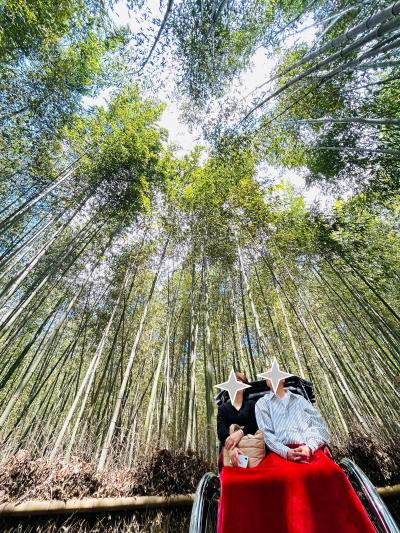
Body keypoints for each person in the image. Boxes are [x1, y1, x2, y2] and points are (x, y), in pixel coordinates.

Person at [217, 375, 376, 533]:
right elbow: (260, 431)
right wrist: (284, 452)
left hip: (306, 448)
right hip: (271, 451)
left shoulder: (292, 401)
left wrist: (310, 446)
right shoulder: (258, 404)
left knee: (333, 473)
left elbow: (317, 426)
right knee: (266, 480)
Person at [216, 371, 258, 470]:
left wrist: (241, 432)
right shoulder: (223, 408)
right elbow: (221, 430)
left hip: (252, 445)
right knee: (223, 465)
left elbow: (255, 424)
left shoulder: (252, 404)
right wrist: (230, 448)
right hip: (229, 447)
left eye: (238, 381)